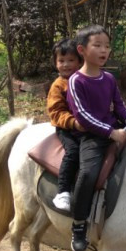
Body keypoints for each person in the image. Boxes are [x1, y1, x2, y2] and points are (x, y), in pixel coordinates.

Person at [66, 24, 126, 251]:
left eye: (107, 46)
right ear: (82, 50)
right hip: (92, 136)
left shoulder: (108, 78)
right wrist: (110, 132)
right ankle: (79, 224)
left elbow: (119, 105)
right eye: (97, 45)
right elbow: (83, 115)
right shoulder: (76, 81)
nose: (104, 50)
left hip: (115, 129)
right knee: (88, 173)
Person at [46, 39, 84, 212]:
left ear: (79, 61)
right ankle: (63, 191)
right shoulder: (58, 86)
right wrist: (73, 122)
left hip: (87, 126)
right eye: (61, 61)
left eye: (70, 60)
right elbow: (56, 112)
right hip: (67, 128)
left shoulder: (84, 80)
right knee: (73, 152)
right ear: (55, 63)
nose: (66, 64)